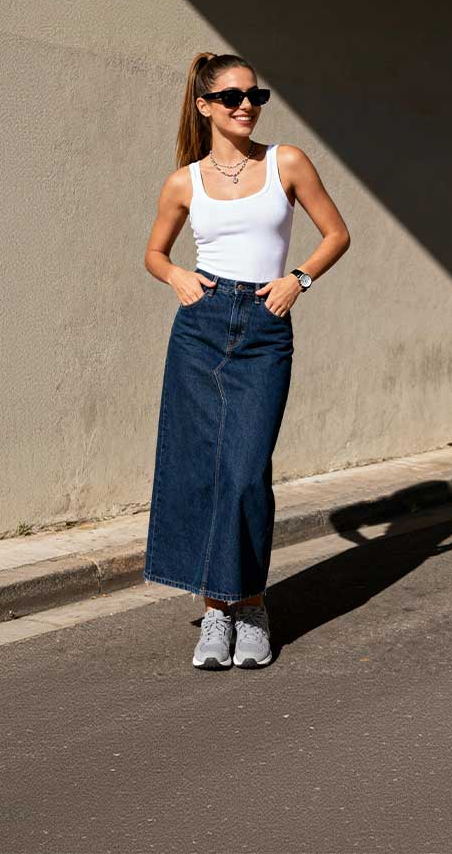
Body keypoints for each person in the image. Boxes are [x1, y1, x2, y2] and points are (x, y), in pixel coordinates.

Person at [143, 51, 350, 670]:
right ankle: (215, 611)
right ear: (205, 105)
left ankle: (252, 606)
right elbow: (154, 253)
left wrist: (299, 281)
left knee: (245, 471)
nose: (245, 106)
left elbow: (336, 233)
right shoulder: (185, 180)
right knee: (200, 471)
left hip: (265, 325)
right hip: (201, 327)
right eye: (231, 96)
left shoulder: (286, 161)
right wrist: (177, 275)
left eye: (254, 96)